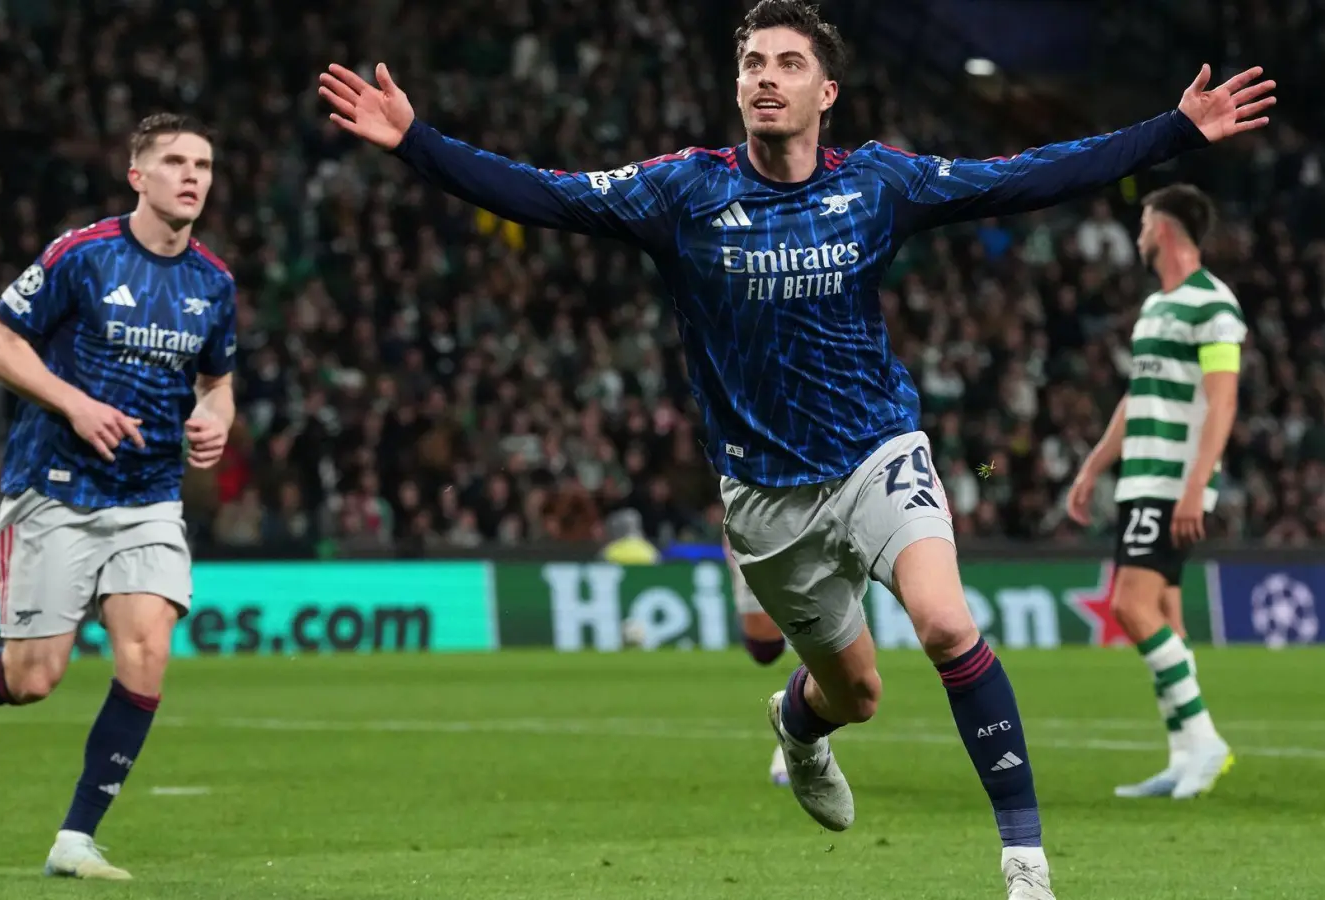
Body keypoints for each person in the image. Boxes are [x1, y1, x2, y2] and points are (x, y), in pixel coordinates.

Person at [317, 1, 1273, 893]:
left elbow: (1025, 175)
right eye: (751, 63)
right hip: (767, 498)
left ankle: (1025, 867)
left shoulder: (878, 183)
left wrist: (1172, 132)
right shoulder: (681, 192)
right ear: (737, 86)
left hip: (877, 454)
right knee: (854, 693)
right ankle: (798, 725)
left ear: (827, 93)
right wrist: (416, 143)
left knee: (946, 623)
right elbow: (540, 194)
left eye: (787, 63)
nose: (765, 77)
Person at [0, 113, 238, 881]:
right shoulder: (82, 256)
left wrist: (213, 420)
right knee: (34, 678)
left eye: (206, 164)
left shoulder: (213, 283)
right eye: (177, 161)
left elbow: (217, 383)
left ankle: (75, 839)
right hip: (55, 488)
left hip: (150, 493)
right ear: (138, 176)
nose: (194, 176)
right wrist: (74, 404)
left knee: (148, 649)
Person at [1067, 184, 1241, 800]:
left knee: (1130, 608)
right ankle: (1184, 753)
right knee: (1164, 611)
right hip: (1141, 476)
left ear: (1163, 228)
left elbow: (1223, 399)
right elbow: (1137, 396)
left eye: (1143, 221)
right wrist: (1093, 466)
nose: (1138, 232)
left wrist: (1197, 483)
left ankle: (1205, 738)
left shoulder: (1212, 304)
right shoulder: (1154, 309)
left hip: (1172, 481)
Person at [728, 535, 792, 786]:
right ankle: (800, 726)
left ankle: (798, 736)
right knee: (765, 650)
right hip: (769, 522)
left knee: (852, 681)